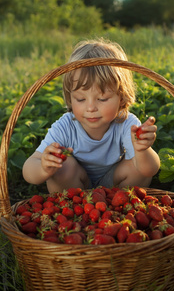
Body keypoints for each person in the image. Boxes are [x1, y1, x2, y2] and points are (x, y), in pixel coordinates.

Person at [22, 38, 160, 194]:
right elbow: (28, 169)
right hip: (76, 186)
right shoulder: (65, 126)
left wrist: (142, 150)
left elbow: (149, 170)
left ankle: (120, 208)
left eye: (102, 99)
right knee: (63, 166)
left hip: (115, 188)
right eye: (80, 99)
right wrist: (42, 168)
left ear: (121, 97)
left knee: (137, 168)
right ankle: (73, 212)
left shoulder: (127, 123)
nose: (90, 108)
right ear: (70, 97)